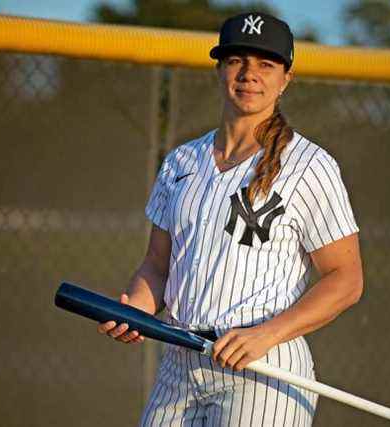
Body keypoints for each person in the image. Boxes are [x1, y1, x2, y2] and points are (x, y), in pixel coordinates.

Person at [98, 12, 363, 426]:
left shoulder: (309, 165)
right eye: (237, 60)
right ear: (220, 68)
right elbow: (157, 265)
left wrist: (266, 335)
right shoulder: (181, 162)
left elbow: (345, 279)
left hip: (263, 369)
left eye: (265, 64)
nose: (249, 74)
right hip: (179, 362)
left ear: (285, 79)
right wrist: (137, 310)